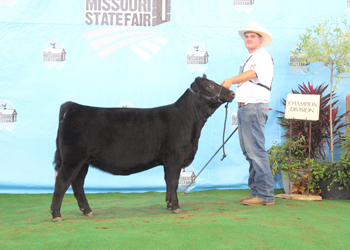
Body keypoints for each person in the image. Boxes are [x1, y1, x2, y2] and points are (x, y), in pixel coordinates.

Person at [221, 22, 275, 206]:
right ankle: (256, 193)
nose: (249, 39)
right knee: (250, 152)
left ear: (260, 40)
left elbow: (252, 74)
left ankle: (266, 195)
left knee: (256, 151)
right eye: (247, 36)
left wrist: (231, 80)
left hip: (253, 106)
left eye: (253, 36)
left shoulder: (261, 55)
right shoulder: (253, 56)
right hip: (246, 107)